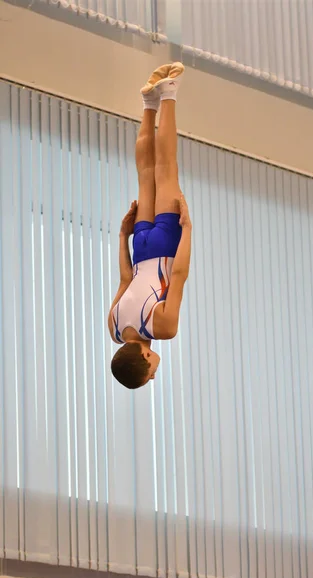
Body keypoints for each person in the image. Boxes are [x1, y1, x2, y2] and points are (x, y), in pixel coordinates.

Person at [108, 63, 192, 389]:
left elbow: (180, 275)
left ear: (144, 359)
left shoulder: (163, 328)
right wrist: (121, 235)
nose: (156, 372)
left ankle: (169, 92)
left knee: (165, 168)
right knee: (145, 176)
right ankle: (149, 103)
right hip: (139, 246)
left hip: (165, 246)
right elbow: (125, 278)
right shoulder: (114, 328)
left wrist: (187, 230)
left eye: (150, 374)